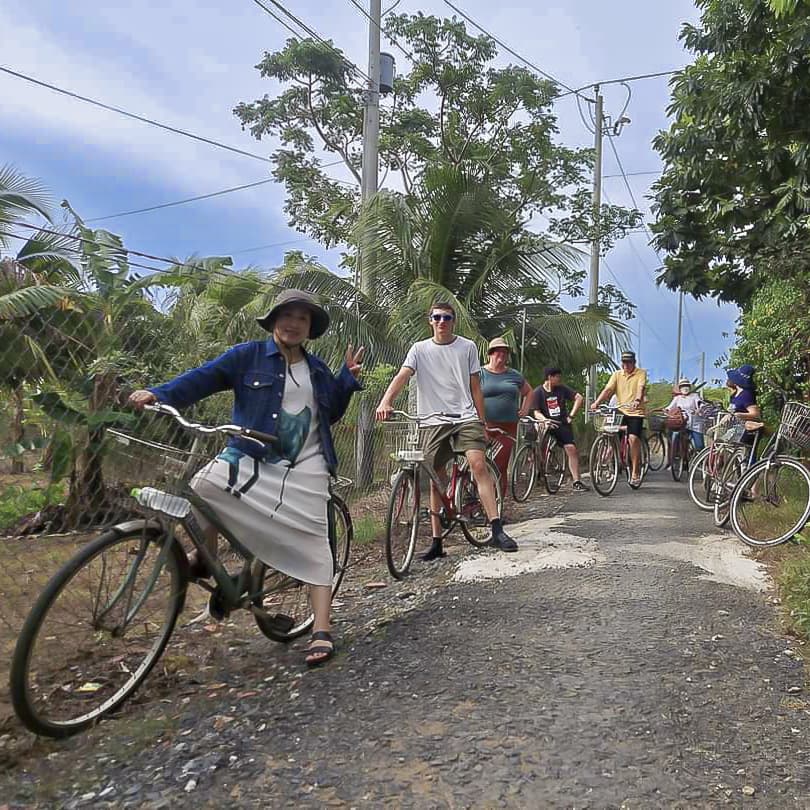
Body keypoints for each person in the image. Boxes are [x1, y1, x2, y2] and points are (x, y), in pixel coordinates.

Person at [129, 289, 364, 667]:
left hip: (307, 465)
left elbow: (330, 413)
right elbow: (202, 378)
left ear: (309, 328)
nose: (293, 323)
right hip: (252, 452)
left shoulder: (317, 369)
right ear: (273, 320)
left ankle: (322, 627)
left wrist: (346, 381)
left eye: (302, 318)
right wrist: (159, 394)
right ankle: (207, 559)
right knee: (204, 484)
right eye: (286, 315)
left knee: (314, 538)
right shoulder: (247, 356)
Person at [375, 301, 517, 558]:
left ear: (454, 321)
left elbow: (475, 387)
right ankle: (437, 540)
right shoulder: (419, 349)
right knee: (434, 476)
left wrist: (481, 421)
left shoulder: (468, 347)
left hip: (465, 416)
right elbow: (403, 375)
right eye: (437, 317)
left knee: (478, 463)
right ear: (430, 320)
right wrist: (386, 401)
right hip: (431, 420)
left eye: (447, 318)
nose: (442, 322)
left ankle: (496, 528)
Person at [479, 337, 533, 494]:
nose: (501, 356)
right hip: (485, 425)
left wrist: (524, 410)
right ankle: (478, 501)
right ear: (490, 354)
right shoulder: (480, 373)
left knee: (500, 464)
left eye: (504, 353)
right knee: (480, 464)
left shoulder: (514, 375)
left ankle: (499, 502)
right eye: (497, 352)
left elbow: (529, 392)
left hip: (507, 426)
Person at [590, 350, 648, 487]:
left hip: (635, 412)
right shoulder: (617, 375)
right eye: (624, 362)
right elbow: (608, 390)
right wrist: (596, 402)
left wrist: (637, 400)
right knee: (608, 431)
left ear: (634, 363)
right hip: (620, 411)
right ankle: (612, 463)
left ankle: (635, 471)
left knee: (633, 439)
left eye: (629, 362)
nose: (626, 365)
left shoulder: (641, 373)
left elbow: (640, 388)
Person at [530, 367, 589, 492]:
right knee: (534, 440)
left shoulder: (562, 389)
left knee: (571, 449)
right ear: (550, 377)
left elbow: (579, 398)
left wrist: (571, 416)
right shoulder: (538, 392)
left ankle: (576, 481)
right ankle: (536, 470)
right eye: (557, 376)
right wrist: (544, 420)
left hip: (561, 423)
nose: (559, 379)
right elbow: (536, 412)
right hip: (545, 423)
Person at [726, 364, 762, 463]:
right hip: (738, 428)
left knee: (749, 457)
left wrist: (739, 415)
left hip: (749, 429)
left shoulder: (747, 395)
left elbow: (755, 414)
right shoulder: (735, 394)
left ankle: (750, 474)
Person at [667, 377, 705, 452]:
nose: (685, 388)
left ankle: (700, 461)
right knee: (677, 441)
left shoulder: (694, 396)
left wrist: (698, 409)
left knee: (699, 446)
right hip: (682, 424)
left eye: (687, 386)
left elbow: (700, 403)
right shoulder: (677, 398)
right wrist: (665, 410)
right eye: (683, 386)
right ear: (680, 388)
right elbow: (670, 407)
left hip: (695, 424)